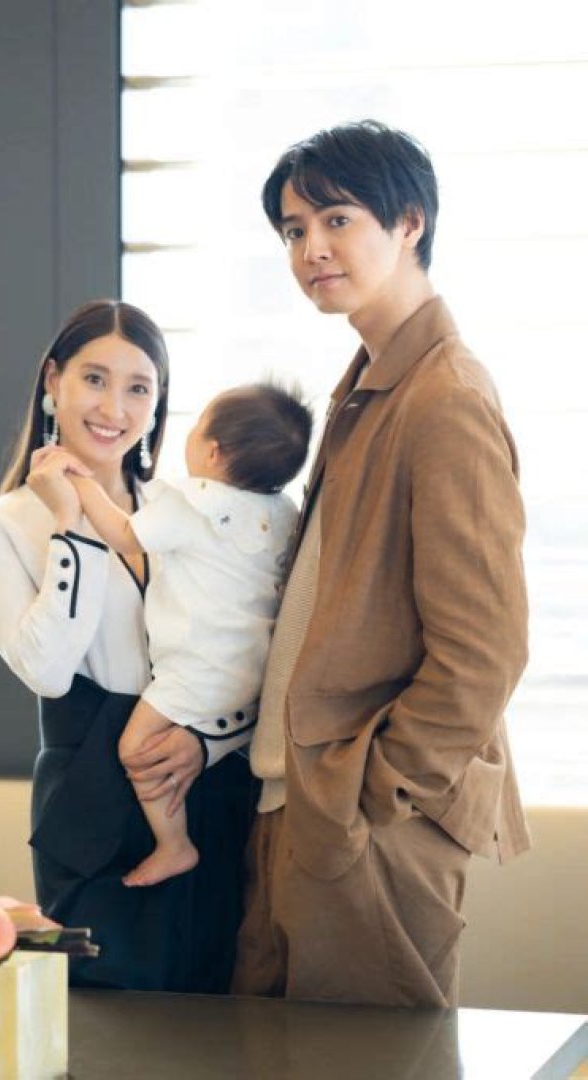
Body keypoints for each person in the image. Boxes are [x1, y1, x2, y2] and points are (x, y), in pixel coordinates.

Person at [231, 120, 530, 1007]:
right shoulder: (370, 384)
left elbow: (485, 651)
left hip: (363, 822)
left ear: (409, 223)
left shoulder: (445, 397)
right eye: (294, 230)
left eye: (337, 220)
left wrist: (375, 790)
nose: (312, 250)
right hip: (299, 805)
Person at [0, 299, 259, 992]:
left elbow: (249, 647)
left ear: (158, 403)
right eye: (94, 379)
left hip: (208, 785)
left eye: (138, 388)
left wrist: (207, 743)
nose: (113, 408)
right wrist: (73, 528)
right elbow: (48, 670)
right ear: (52, 381)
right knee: (105, 1018)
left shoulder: (188, 510)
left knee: (221, 1013)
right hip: (90, 797)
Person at [59, 383, 311, 888]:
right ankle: (203, 777)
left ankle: (174, 844)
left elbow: (126, 535)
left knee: (135, 749)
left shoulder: (191, 503)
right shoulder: (283, 514)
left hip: (194, 671)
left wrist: (82, 487)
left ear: (212, 451)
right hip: (252, 672)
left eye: (196, 428)